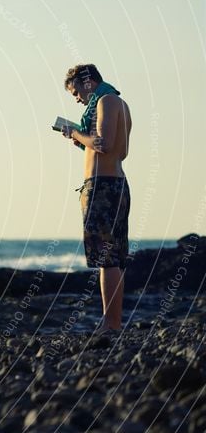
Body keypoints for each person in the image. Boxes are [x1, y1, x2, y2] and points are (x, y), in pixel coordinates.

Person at [60, 64, 132, 336]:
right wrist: (81, 139)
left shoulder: (106, 100)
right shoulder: (118, 103)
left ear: (88, 82)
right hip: (113, 184)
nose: (77, 98)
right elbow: (120, 152)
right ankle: (111, 323)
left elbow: (104, 143)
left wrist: (74, 132)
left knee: (107, 259)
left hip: (104, 187)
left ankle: (110, 324)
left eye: (76, 92)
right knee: (112, 258)